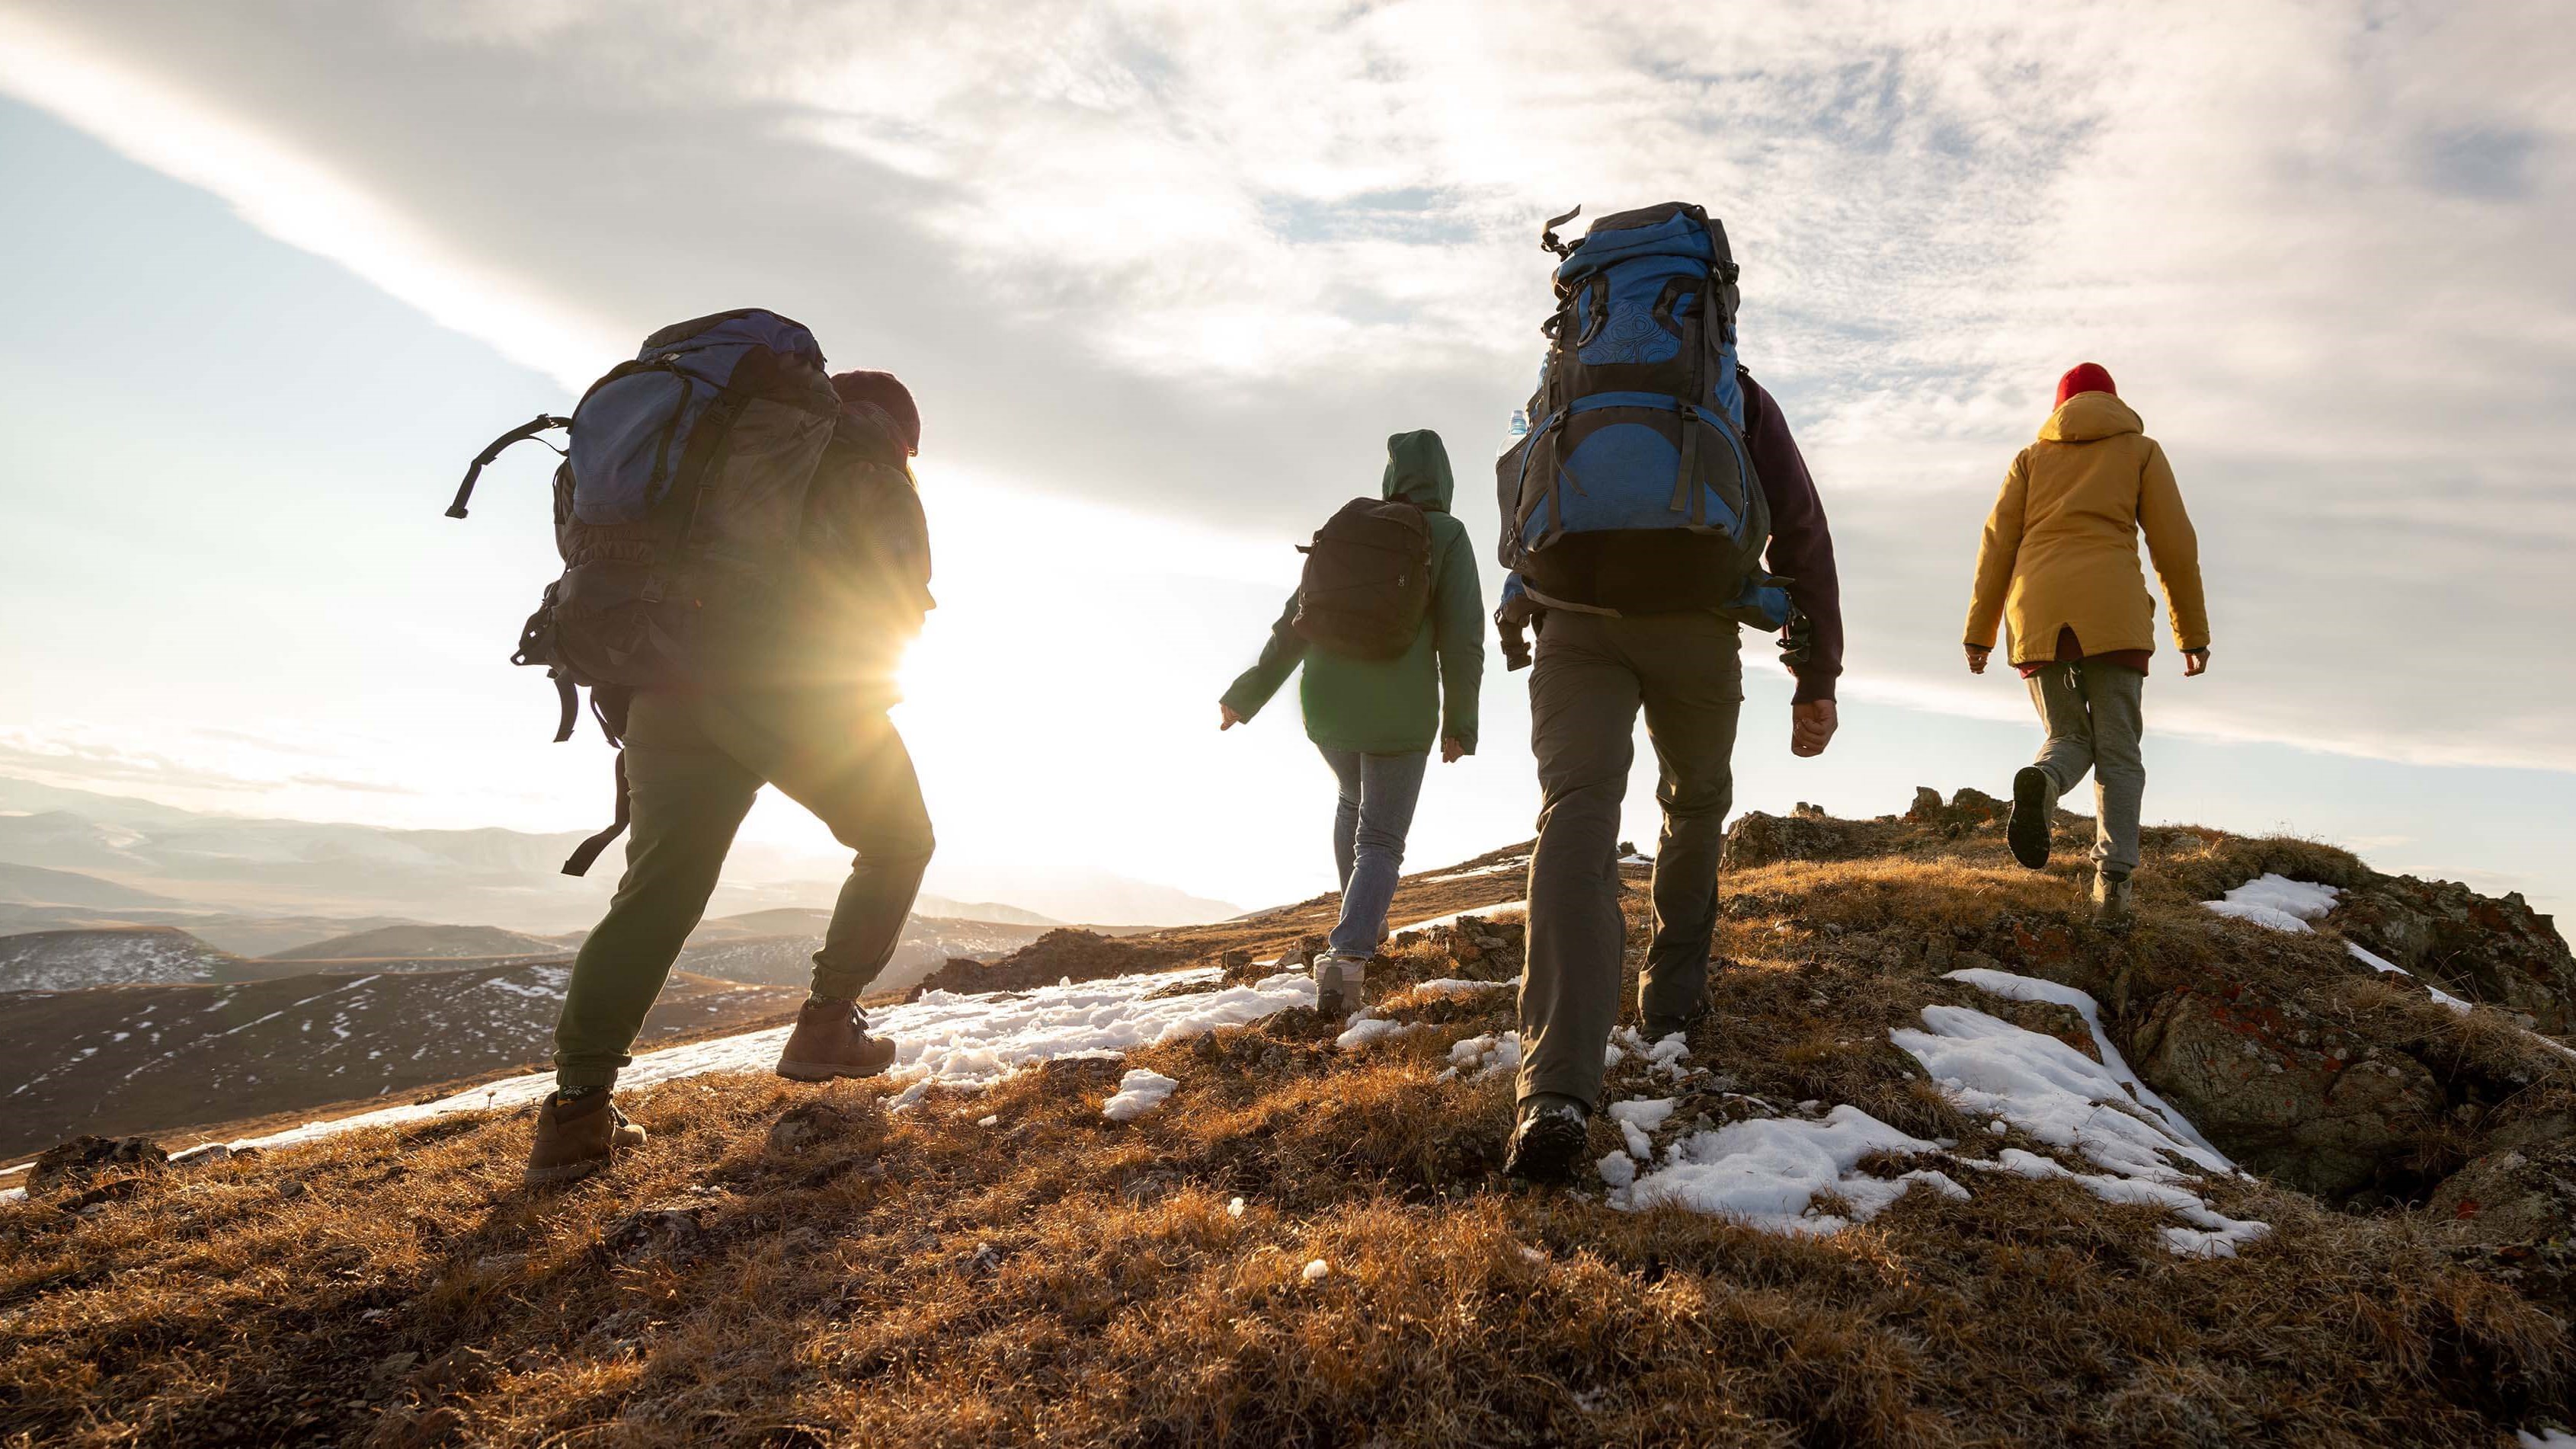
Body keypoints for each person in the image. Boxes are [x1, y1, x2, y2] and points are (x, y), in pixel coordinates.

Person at [525, 369, 936, 1185]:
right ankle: (826, 1026)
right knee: (898, 840)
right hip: (791, 690)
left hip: (661, 690)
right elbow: (895, 600)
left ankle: (576, 1111)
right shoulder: (865, 464)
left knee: (656, 893)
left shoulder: (714, 461)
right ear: (900, 433)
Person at [1504, 372, 1844, 1183]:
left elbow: (1521, 504)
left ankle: (1554, 1093)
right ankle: (1672, 1001)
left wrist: (1525, 609)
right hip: (1695, 624)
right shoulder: (1729, 389)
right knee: (1693, 804)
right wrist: (1816, 674)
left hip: (1573, 627)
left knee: (1576, 813)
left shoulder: (1565, 380)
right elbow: (1800, 527)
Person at [1218, 430, 1485, 1016]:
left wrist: (1247, 694)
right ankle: (1347, 957)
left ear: (1392, 477)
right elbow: (1462, 638)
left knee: (1351, 800)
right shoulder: (1446, 534)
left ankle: (1362, 919)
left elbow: (1293, 621)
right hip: (1398, 712)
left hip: (1326, 704)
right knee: (1381, 838)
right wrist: (1461, 721)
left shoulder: (1350, 527)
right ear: (1443, 481)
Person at [1963, 362, 2209, 925]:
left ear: (2059, 408)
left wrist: (1979, 633)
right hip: (2113, 611)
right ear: (2115, 402)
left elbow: (1996, 547)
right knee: (2118, 749)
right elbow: (2174, 545)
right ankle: (2113, 887)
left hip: (2037, 610)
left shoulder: (2030, 458)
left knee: (2067, 735)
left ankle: (2045, 781)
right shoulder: (2140, 451)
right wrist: (2191, 633)